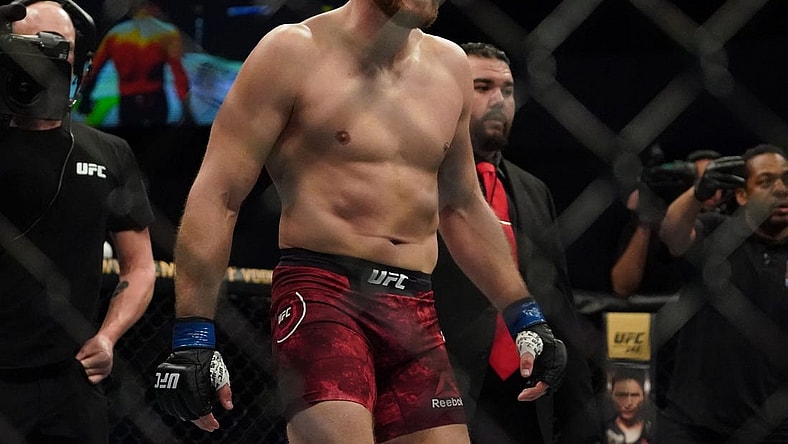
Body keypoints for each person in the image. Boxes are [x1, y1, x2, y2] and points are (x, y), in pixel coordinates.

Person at [152, 1, 567, 443]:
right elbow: (219, 195)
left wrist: (526, 317)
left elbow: (462, 207)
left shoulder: (449, 66)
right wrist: (193, 334)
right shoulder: (293, 52)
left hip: (416, 307)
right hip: (325, 294)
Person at [431, 42, 603, 444]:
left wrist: (581, 417)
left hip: (525, 387)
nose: (499, 100)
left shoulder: (532, 189)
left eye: (507, 90)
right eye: (482, 86)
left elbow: (557, 295)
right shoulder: (421, 177)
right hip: (441, 380)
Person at [0, 1, 156, 442]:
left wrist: (108, 337)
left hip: (66, 383)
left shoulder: (109, 153)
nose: (40, 59)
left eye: (54, 48)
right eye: (26, 46)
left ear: (79, 63)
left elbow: (140, 266)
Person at [656, 144, 788, 443]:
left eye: (786, 179)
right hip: (694, 422)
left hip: (775, 425)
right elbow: (672, 233)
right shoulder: (718, 232)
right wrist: (697, 194)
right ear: (742, 195)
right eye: (766, 181)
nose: (781, 189)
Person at [610, 149, 723, 299]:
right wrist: (644, 223)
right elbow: (622, 287)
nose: (709, 189)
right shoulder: (656, 223)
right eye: (702, 182)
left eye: (715, 181)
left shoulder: (731, 223)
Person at [78, 0, 190, 127]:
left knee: (128, 142)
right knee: (159, 142)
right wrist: (186, 106)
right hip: (156, 100)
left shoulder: (115, 35)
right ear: (153, 6)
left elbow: (94, 70)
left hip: (127, 102)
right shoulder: (166, 33)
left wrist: (86, 97)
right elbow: (178, 72)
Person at [605, 367, 654, 444]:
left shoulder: (653, 430)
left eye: (634, 395)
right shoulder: (602, 431)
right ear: (611, 396)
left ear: (644, 397)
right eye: (621, 395)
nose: (628, 403)